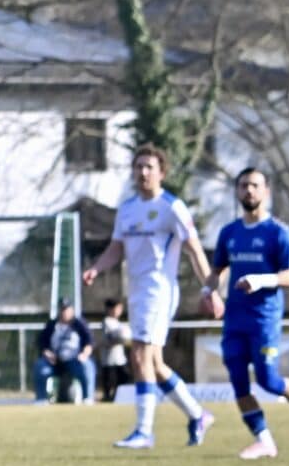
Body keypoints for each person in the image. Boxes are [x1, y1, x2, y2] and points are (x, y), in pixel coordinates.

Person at [81, 145, 215, 449]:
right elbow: (117, 248)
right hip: (137, 291)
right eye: (138, 166)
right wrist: (96, 269)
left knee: (139, 355)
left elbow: (194, 250)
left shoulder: (172, 207)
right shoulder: (127, 209)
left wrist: (210, 289)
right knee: (153, 363)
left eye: (149, 167)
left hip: (159, 291)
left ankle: (144, 431)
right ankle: (197, 415)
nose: (143, 172)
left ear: (162, 173)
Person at [205, 168, 289, 458]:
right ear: (237, 191)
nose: (249, 190)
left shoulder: (278, 233)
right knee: (238, 381)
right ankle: (264, 440)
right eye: (244, 185)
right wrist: (208, 291)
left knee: (269, 381)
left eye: (255, 185)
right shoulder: (229, 232)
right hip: (234, 320)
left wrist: (263, 280)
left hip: (263, 319)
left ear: (266, 191)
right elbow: (217, 271)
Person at [32, 300, 95, 404]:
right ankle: (41, 399)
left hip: (75, 361)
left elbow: (89, 342)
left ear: (72, 310)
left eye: (66, 309)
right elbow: (42, 343)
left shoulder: (79, 324)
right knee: (40, 366)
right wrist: (47, 354)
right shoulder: (52, 324)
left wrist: (84, 354)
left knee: (87, 366)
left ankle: (88, 398)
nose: (64, 312)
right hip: (54, 362)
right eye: (62, 309)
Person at [96, 299, 130, 402]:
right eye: (117, 308)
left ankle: (118, 397)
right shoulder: (107, 321)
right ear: (109, 309)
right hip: (109, 358)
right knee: (109, 380)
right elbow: (111, 337)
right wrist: (122, 339)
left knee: (123, 378)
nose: (120, 311)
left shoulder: (118, 322)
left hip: (119, 358)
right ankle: (107, 397)